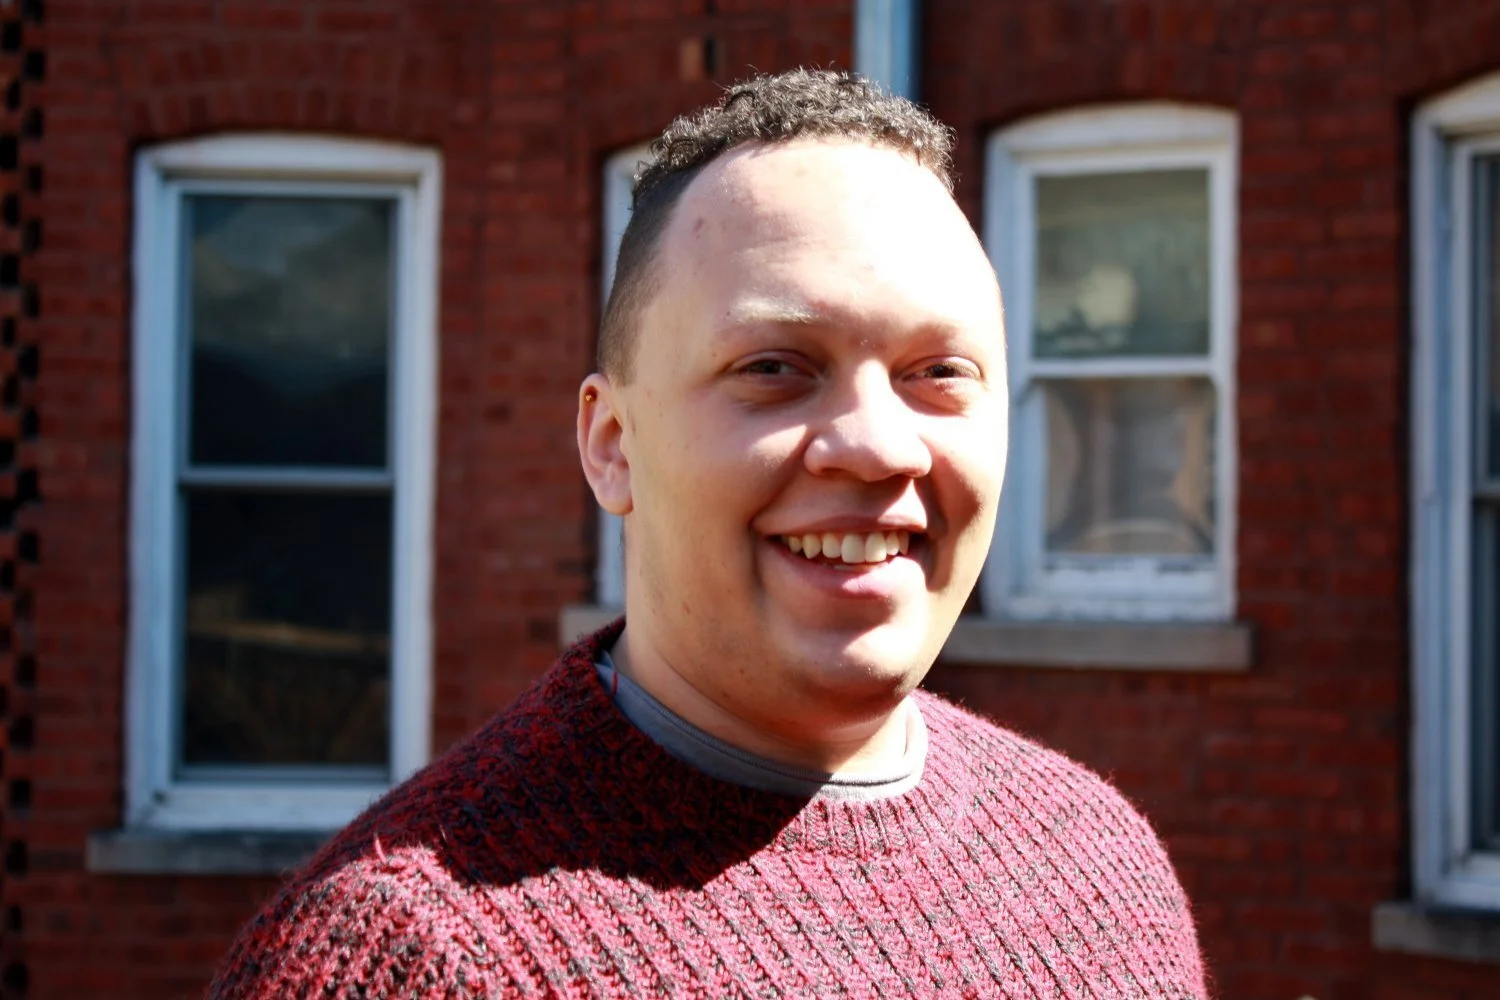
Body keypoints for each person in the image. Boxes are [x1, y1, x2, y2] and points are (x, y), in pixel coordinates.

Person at [210, 68, 1206, 998]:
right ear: (611, 444)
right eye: (776, 366)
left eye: (937, 373)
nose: (875, 447)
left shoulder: (1096, 862)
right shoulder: (404, 956)